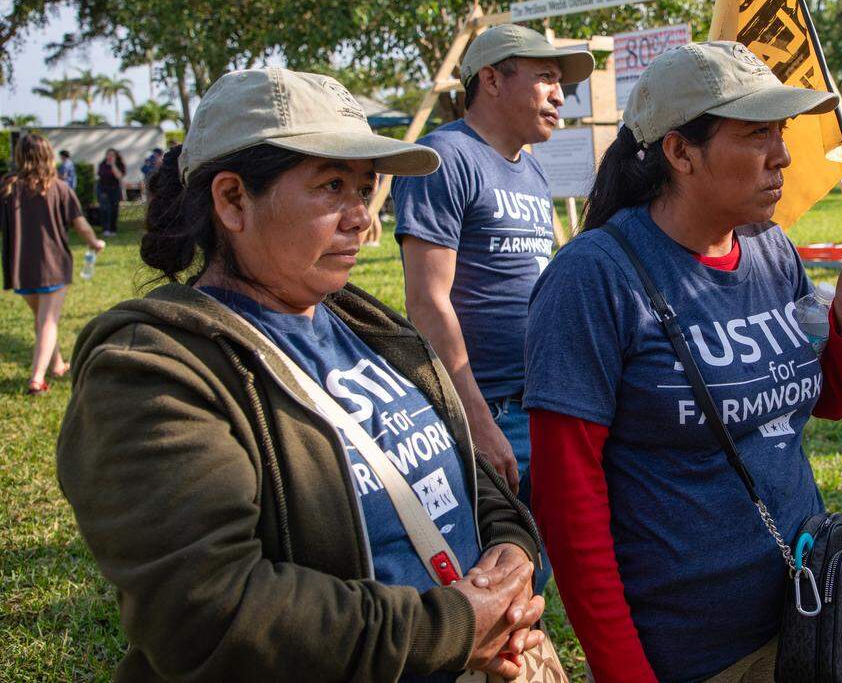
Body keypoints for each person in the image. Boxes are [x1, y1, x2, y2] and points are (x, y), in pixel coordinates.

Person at [57, 68, 547, 682]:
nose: (361, 219)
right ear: (234, 200)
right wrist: (451, 629)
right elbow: (208, 613)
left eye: (365, 189)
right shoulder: (150, 372)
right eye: (332, 186)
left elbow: (467, 474)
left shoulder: (364, 321)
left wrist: (512, 551)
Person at [523, 42, 842, 683]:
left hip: (804, 610)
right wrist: (622, 670)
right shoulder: (593, 278)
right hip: (687, 648)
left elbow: (823, 398)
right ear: (680, 152)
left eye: (780, 131)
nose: (782, 154)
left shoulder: (770, 247)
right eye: (757, 133)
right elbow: (568, 502)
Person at [392, 25, 593, 503]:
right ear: (492, 79)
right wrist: (478, 421)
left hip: (541, 400)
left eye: (560, 83)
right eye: (545, 77)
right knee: (491, 566)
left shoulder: (532, 169)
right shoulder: (445, 157)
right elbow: (426, 301)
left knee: (535, 564)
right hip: (486, 411)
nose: (560, 96)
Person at [2, 134, 104, 394]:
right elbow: (80, 224)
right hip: (53, 266)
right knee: (47, 322)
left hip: (20, 269)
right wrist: (95, 243)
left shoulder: (8, 187)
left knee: (42, 319)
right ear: (48, 155)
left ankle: (57, 365)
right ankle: (37, 379)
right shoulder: (59, 188)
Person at [96, 147, 125, 236]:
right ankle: (105, 229)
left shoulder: (119, 164)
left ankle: (113, 229)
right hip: (103, 189)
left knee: (114, 209)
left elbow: (119, 176)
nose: (109, 156)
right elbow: (100, 175)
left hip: (115, 189)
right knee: (105, 208)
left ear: (116, 156)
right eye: (108, 154)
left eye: (112, 155)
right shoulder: (102, 164)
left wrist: (113, 165)